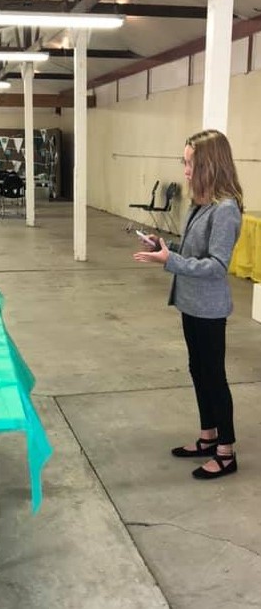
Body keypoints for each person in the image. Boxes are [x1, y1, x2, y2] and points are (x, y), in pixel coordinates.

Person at [133, 129, 243, 480]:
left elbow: (216, 266)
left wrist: (169, 262)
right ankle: (207, 436)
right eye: (184, 162)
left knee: (214, 376)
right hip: (191, 304)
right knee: (198, 370)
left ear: (209, 164)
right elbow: (193, 254)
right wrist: (165, 248)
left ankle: (225, 452)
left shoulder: (226, 210)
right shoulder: (200, 203)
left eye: (189, 162)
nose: (185, 170)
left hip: (210, 308)